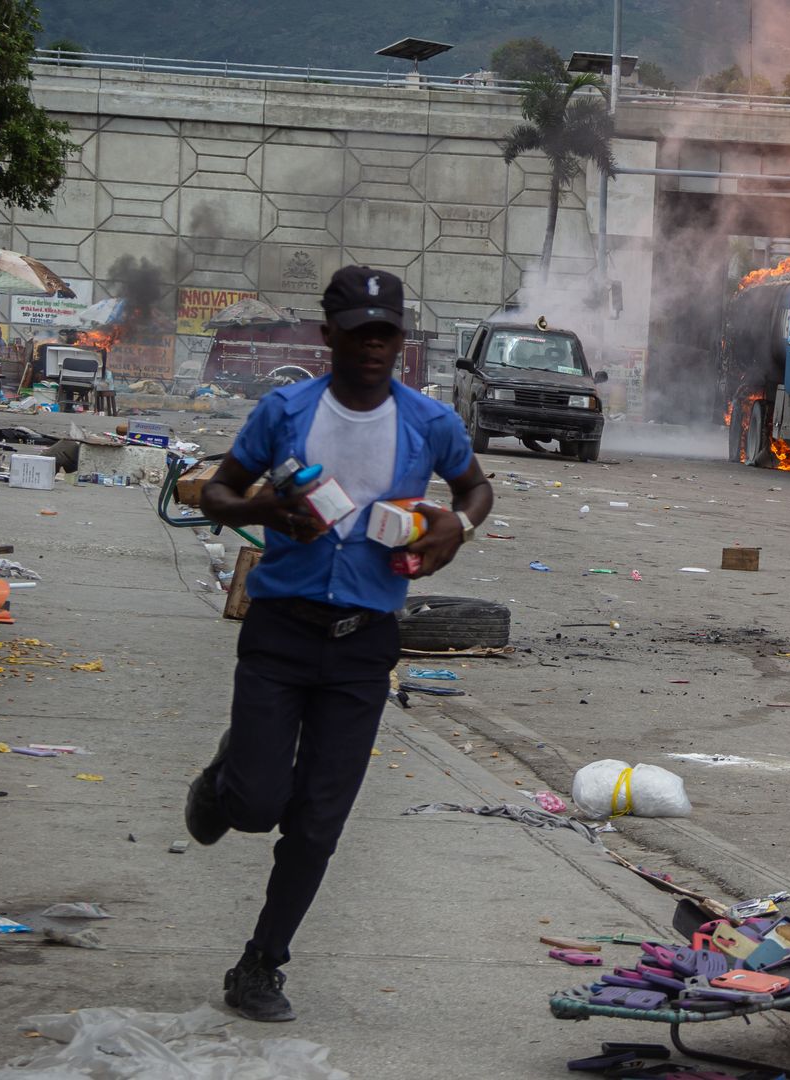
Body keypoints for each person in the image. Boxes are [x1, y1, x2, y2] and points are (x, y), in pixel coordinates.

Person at [186, 266, 494, 1022]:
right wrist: (264, 509)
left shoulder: (429, 423)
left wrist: (461, 525)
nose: (372, 346)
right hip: (281, 631)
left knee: (319, 820)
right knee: (259, 804)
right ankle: (228, 779)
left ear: (401, 338)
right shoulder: (285, 412)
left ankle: (261, 964)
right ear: (327, 335)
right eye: (357, 332)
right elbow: (217, 491)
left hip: (364, 646)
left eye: (385, 332)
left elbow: (475, 488)